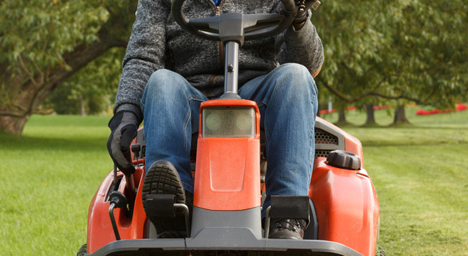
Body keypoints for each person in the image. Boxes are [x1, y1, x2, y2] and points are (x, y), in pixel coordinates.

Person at [107, 0, 323, 240]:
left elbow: (308, 64)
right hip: (189, 95)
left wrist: (299, 20)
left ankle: (286, 216)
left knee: (296, 77)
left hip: (258, 95)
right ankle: (174, 212)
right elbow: (143, 56)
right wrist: (126, 114)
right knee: (161, 82)